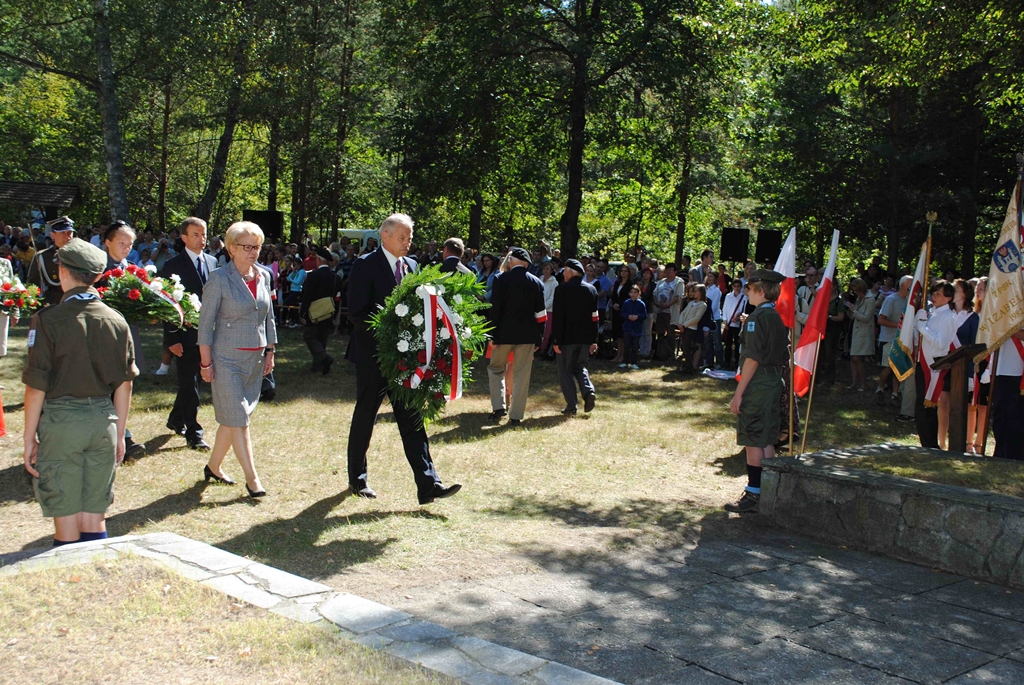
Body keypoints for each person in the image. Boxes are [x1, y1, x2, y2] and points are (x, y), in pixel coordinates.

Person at [22, 238, 138, 546]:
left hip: (62, 423)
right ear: (97, 276)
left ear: (62, 271)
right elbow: (124, 384)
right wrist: (120, 434)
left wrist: (29, 437)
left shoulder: (48, 320)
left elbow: (36, 386)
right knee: (94, 511)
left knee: (66, 512)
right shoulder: (116, 319)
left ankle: (70, 565)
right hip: (104, 421)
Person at [345, 213, 461, 503]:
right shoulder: (365, 265)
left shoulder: (412, 266)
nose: (407, 242)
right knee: (366, 416)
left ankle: (429, 484)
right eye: (402, 237)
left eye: (409, 237)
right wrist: (391, 336)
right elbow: (357, 312)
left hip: (405, 361)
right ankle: (357, 479)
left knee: (412, 418)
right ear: (385, 236)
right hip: (373, 357)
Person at [198, 221, 277, 497]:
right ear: (231, 248)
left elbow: (268, 317)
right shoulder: (219, 278)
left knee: (232, 419)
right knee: (240, 420)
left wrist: (270, 351)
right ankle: (253, 480)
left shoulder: (264, 276)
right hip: (225, 360)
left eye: (257, 247)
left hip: (255, 359)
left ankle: (213, 467)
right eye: (247, 247)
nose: (253, 252)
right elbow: (205, 325)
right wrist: (205, 363)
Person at [725, 269, 788, 514]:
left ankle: (754, 493)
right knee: (767, 437)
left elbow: (752, 358)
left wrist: (738, 393)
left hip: (758, 382)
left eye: (750, 289)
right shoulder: (775, 316)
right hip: (773, 380)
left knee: (753, 438)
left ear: (761, 291)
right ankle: (768, 491)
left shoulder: (756, 317)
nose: (747, 293)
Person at [161, 217, 219, 451]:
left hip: (208, 333)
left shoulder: (213, 261)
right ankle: (194, 432)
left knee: (196, 378)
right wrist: (172, 338)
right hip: (185, 334)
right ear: (184, 237)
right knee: (189, 381)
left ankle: (176, 418)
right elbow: (167, 305)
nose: (201, 239)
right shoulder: (172, 265)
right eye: (195, 234)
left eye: (204, 234)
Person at [102, 221, 147, 458]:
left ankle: (122, 435)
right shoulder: (97, 269)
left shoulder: (132, 270)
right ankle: (116, 437)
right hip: (102, 336)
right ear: (107, 242)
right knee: (107, 385)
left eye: (130, 244)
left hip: (126, 334)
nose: (126, 248)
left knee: (125, 383)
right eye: (121, 243)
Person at [487, 246, 547, 425]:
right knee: (522, 375)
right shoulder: (537, 282)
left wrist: (491, 333)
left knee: (496, 369)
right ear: (527, 263)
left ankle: (499, 407)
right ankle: (516, 416)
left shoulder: (500, 279)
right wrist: (539, 338)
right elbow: (541, 315)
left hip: (503, 335)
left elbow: (495, 309)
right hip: (528, 336)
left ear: (512, 261)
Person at [551, 259, 598, 415]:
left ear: (570, 272)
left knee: (565, 372)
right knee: (580, 366)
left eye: (565, 271)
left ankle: (571, 406)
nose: (563, 274)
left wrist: (556, 340)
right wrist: (594, 340)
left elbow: (558, 317)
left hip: (566, 339)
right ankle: (588, 390)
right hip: (585, 338)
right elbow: (595, 318)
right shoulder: (591, 290)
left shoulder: (561, 289)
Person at [914, 280, 957, 449]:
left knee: (927, 405)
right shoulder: (931, 313)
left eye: (939, 294)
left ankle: (930, 444)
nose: (934, 296)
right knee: (922, 405)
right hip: (923, 361)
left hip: (934, 363)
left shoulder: (948, 317)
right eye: (933, 293)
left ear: (948, 298)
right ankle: (926, 442)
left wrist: (923, 328)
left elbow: (940, 343)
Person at [937, 279, 978, 450]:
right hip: (946, 365)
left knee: (964, 406)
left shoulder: (973, 317)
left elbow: (976, 345)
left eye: (956, 289)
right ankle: (941, 442)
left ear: (965, 294)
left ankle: (966, 443)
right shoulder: (946, 313)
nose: (953, 292)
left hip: (964, 368)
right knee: (943, 403)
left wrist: (972, 372)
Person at [300, 246, 344, 375]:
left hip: (313, 311)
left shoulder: (313, 276)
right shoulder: (336, 277)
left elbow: (307, 296)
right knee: (322, 338)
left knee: (309, 336)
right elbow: (338, 297)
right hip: (328, 311)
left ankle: (324, 358)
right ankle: (319, 365)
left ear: (318, 260)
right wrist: (334, 313)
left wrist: (302, 312)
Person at [875, 275, 910, 407]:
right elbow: (881, 320)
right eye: (911, 285)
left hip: (903, 340)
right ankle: (879, 389)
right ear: (903, 285)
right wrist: (900, 325)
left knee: (898, 366)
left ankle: (895, 394)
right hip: (888, 339)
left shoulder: (909, 301)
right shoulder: (891, 299)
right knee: (889, 367)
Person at [27, 216, 77, 306]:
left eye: (69, 232)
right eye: (62, 233)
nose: (67, 236)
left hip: (76, 301)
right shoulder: (42, 256)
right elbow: (33, 284)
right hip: (52, 302)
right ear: (53, 235)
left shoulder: (79, 255)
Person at [967, 277, 990, 454]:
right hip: (971, 362)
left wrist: (988, 368)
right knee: (970, 405)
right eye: (977, 289)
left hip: (987, 362)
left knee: (983, 405)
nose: (977, 291)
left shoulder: (994, 316)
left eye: (981, 289)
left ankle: (979, 444)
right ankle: (968, 443)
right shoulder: (973, 314)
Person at [844, 278, 875, 392]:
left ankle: (863, 383)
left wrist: (853, 310)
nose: (855, 292)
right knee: (852, 358)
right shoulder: (859, 299)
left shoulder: (870, 300)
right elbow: (853, 315)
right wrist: (848, 308)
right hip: (854, 330)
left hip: (863, 332)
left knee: (857, 358)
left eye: (856, 290)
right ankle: (854, 382)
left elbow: (866, 318)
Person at [609, 265, 633, 363]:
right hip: (616, 311)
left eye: (625, 271)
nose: (623, 272)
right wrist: (614, 303)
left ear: (628, 273)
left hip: (625, 310)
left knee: (623, 334)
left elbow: (628, 297)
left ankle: (623, 355)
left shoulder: (630, 284)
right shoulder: (617, 283)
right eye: (622, 271)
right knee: (618, 334)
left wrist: (620, 304)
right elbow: (614, 295)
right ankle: (618, 354)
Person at [619, 284, 646, 370]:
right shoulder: (626, 303)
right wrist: (628, 316)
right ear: (629, 293)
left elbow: (644, 315)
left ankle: (634, 362)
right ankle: (625, 361)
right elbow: (622, 313)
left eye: (635, 292)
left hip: (637, 328)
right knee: (627, 346)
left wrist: (638, 316)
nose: (633, 294)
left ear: (639, 293)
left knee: (635, 346)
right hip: (627, 328)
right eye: (631, 292)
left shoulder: (641, 304)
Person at [722, 278, 746, 369]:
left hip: (738, 324)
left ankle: (736, 363)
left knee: (737, 343)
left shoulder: (744, 297)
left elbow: (743, 310)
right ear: (732, 286)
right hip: (729, 323)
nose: (736, 288)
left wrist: (738, 318)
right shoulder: (728, 296)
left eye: (738, 286)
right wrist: (725, 322)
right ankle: (727, 362)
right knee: (728, 344)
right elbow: (725, 309)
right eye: (735, 286)